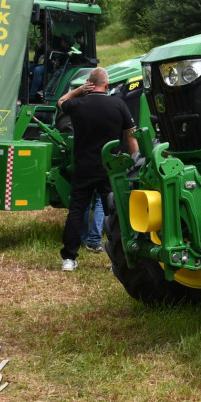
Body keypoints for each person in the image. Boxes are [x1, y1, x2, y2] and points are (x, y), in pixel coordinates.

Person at [57, 67, 138, 271]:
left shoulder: (78, 104)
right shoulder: (118, 104)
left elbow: (61, 102)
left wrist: (78, 91)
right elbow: (131, 136)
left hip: (83, 167)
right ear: (107, 85)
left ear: (89, 85)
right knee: (114, 213)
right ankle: (118, 260)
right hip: (109, 168)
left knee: (76, 210)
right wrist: (134, 161)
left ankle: (69, 258)